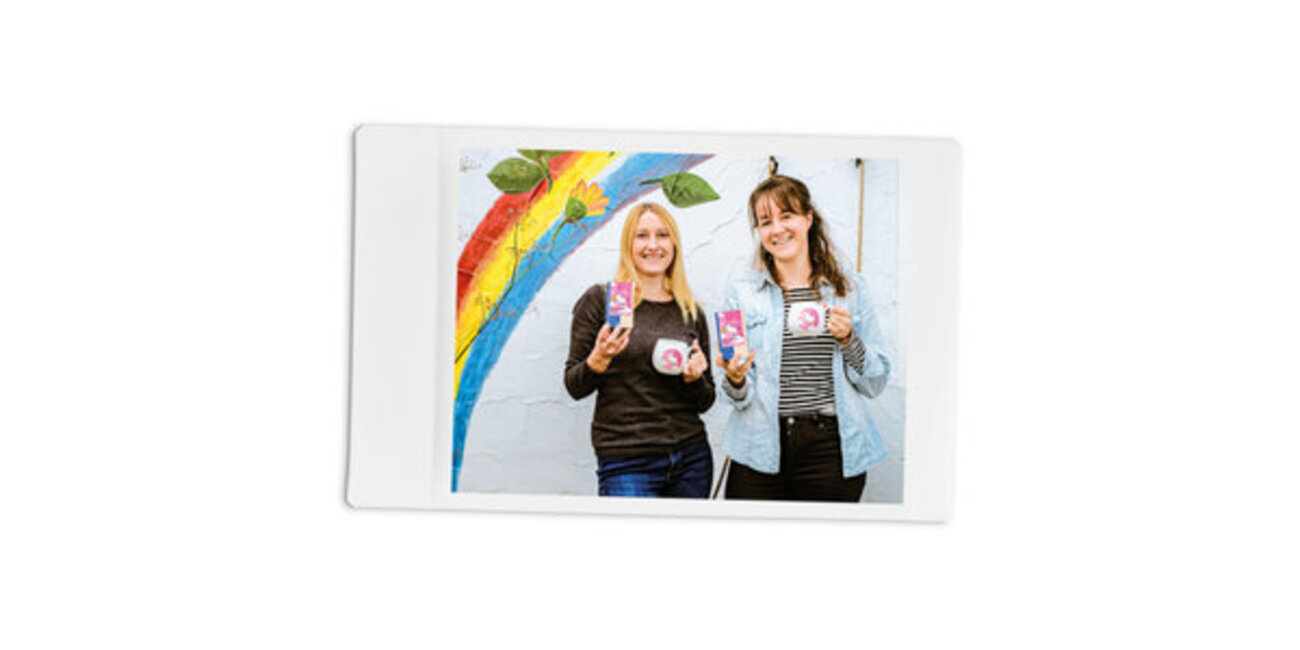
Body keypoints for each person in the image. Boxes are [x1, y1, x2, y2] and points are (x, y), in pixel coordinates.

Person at [715, 174, 891, 502]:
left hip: (831, 450)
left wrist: (848, 339)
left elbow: (875, 382)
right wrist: (735, 378)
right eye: (765, 221)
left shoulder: (851, 290)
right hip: (757, 448)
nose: (777, 229)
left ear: (808, 219)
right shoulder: (740, 294)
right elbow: (734, 393)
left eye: (787, 215)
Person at [564, 202, 716, 497]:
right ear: (628, 245)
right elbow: (574, 386)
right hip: (626, 460)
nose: (653, 245)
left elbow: (706, 401)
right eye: (642, 235)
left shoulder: (690, 311)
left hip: (691, 458)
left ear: (674, 244)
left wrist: (695, 378)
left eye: (662, 235)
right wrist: (598, 359)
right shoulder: (601, 300)